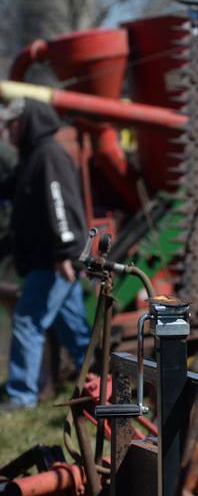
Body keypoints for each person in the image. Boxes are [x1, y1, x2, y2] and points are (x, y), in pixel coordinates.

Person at [0, 98, 90, 410]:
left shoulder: (49, 156)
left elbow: (60, 204)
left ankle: (21, 396)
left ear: (26, 123)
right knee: (76, 331)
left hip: (52, 261)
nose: (7, 130)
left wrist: (66, 252)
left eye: (11, 124)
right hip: (50, 261)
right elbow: (9, 188)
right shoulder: (32, 158)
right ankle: (98, 383)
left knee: (27, 321)